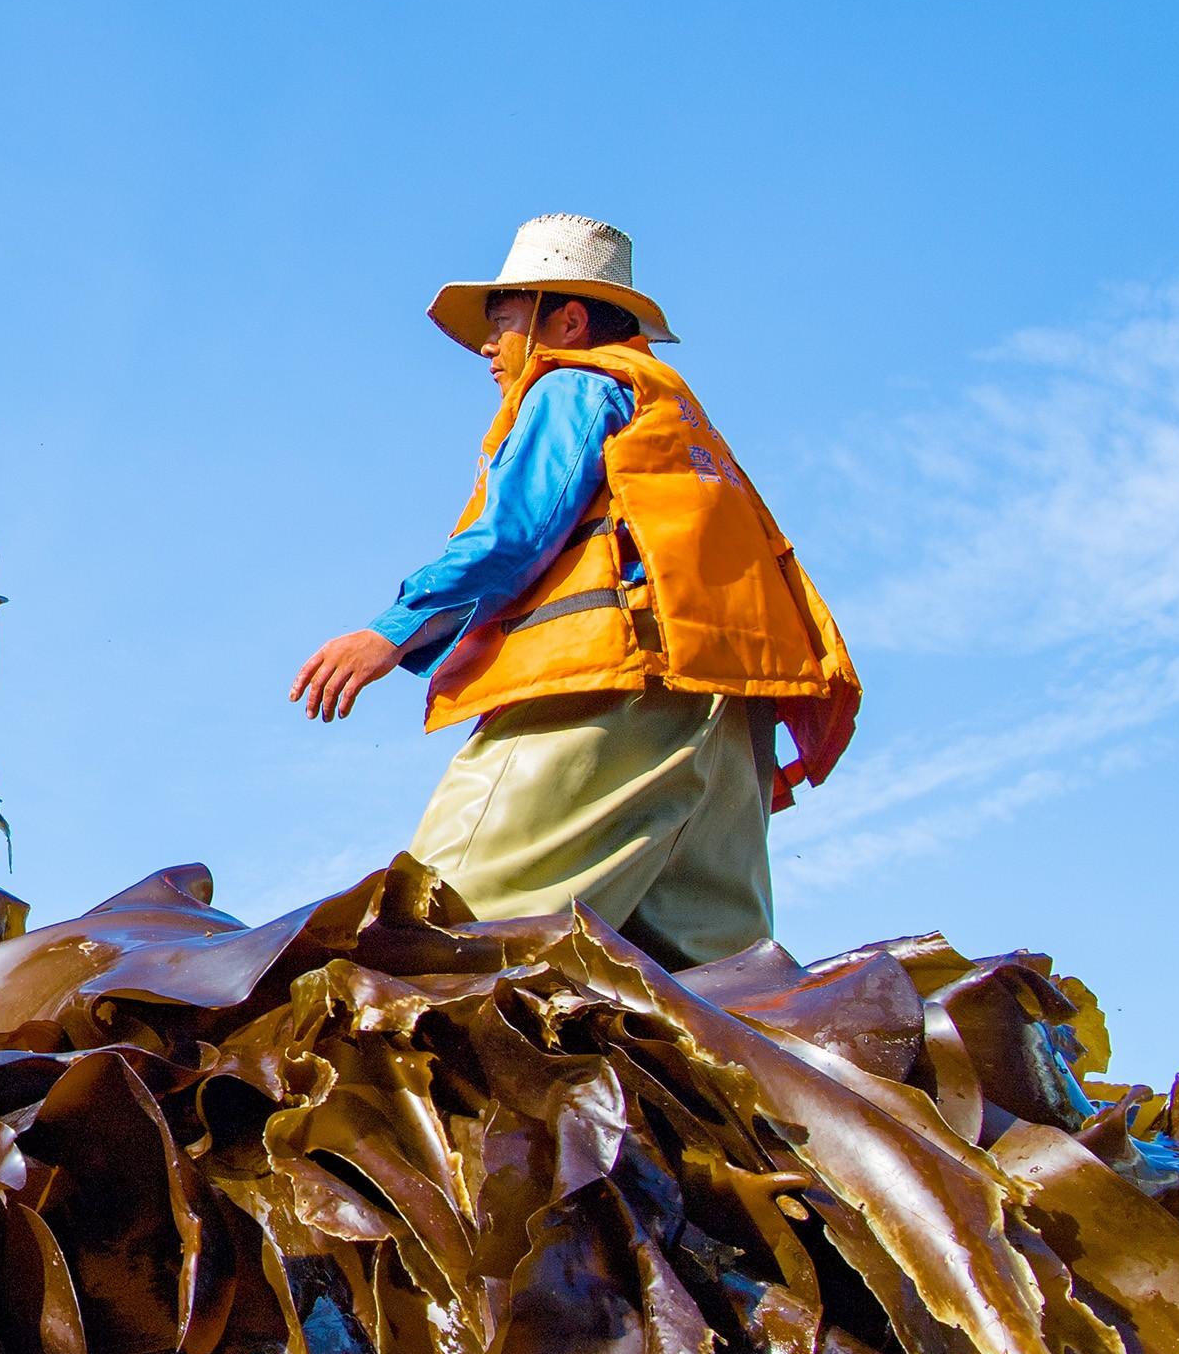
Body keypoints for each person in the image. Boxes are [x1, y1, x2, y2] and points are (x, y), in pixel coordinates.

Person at [288, 214, 859, 967]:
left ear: (568, 318)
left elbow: (517, 532)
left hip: (616, 696)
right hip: (728, 720)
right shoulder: (679, 418)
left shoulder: (573, 386)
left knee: (433, 941)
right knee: (717, 994)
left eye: (503, 322)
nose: (489, 348)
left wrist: (392, 630)